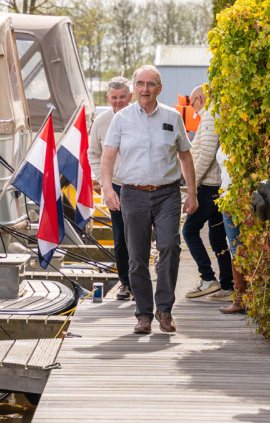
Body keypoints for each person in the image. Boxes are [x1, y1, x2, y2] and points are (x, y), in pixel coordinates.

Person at [100, 65, 197, 335]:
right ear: (134, 88)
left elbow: (185, 156)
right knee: (136, 256)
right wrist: (108, 190)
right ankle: (143, 314)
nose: (145, 89)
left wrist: (192, 192)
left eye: (151, 84)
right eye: (141, 84)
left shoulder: (173, 117)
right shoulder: (121, 119)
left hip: (167, 193)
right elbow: (107, 158)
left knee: (170, 247)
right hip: (132, 194)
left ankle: (164, 309)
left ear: (159, 88)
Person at [180, 85, 235, 300]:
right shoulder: (212, 116)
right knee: (217, 237)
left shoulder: (210, 116)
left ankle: (207, 278)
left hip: (209, 186)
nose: (192, 107)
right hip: (215, 186)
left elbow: (206, 154)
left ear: (200, 99)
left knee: (189, 230)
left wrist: (192, 184)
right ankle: (227, 285)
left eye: (192, 102)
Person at [89, 77, 133, 300]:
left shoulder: (139, 116)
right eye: (114, 98)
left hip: (139, 184)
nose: (118, 101)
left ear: (130, 97)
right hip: (115, 185)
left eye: (122, 97)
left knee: (140, 235)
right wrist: (104, 183)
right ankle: (125, 283)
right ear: (108, 98)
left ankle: (140, 281)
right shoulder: (101, 122)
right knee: (120, 237)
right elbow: (93, 154)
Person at [215, 144, 250, 314]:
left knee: (238, 248)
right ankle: (242, 298)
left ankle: (242, 299)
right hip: (228, 199)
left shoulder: (238, 137)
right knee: (236, 247)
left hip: (236, 200)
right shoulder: (226, 136)